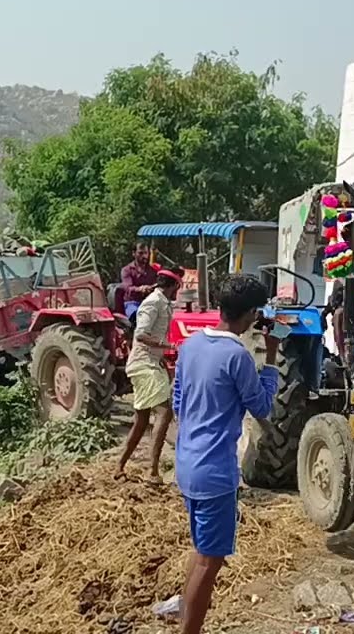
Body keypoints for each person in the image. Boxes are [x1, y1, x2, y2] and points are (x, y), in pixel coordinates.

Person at [171, 276, 279, 634]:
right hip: (216, 473)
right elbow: (262, 407)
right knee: (210, 561)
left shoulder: (190, 346)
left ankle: (184, 614)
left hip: (187, 464)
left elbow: (178, 401)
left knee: (200, 552)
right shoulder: (238, 357)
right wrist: (273, 360)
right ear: (250, 314)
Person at [116, 266, 184, 482]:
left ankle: (119, 466)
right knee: (164, 412)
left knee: (142, 420)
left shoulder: (161, 302)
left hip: (150, 361)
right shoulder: (154, 303)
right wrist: (169, 346)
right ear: (173, 286)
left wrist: (162, 357)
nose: (177, 293)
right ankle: (153, 470)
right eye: (177, 288)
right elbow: (142, 334)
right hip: (143, 363)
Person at [120, 240, 158, 319]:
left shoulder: (153, 271)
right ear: (134, 253)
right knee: (138, 316)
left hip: (150, 302)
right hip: (132, 303)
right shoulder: (127, 270)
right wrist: (140, 289)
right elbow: (128, 288)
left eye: (146, 253)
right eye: (140, 253)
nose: (144, 256)